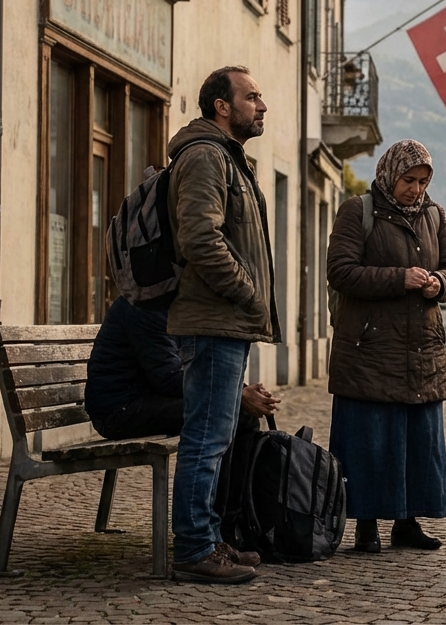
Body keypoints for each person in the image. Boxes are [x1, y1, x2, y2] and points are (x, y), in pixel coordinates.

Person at [167, 66, 282, 584]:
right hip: (214, 319)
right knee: (206, 439)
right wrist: (246, 290)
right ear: (221, 106)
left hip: (226, 321)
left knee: (217, 436)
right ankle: (194, 547)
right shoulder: (205, 156)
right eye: (251, 96)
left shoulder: (228, 157)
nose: (261, 105)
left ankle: (210, 539)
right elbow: (199, 237)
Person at [326, 140, 446, 555]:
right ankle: (365, 526)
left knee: (417, 442)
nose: (415, 189)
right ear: (390, 174)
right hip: (369, 349)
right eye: (408, 180)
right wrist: (399, 278)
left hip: (421, 350)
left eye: (422, 181)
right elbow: (340, 271)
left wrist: (440, 284)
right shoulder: (358, 211)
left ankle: (408, 523)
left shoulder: (434, 215)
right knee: (368, 441)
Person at [85, 296, 280, 440]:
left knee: (234, 410)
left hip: (141, 400)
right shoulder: (145, 307)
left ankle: (228, 484)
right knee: (232, 412)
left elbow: (190, 369)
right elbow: (168, 379)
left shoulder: (167, 306)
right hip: (118, 412)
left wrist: (241, 390)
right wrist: (238, 395)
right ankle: (214, 484)